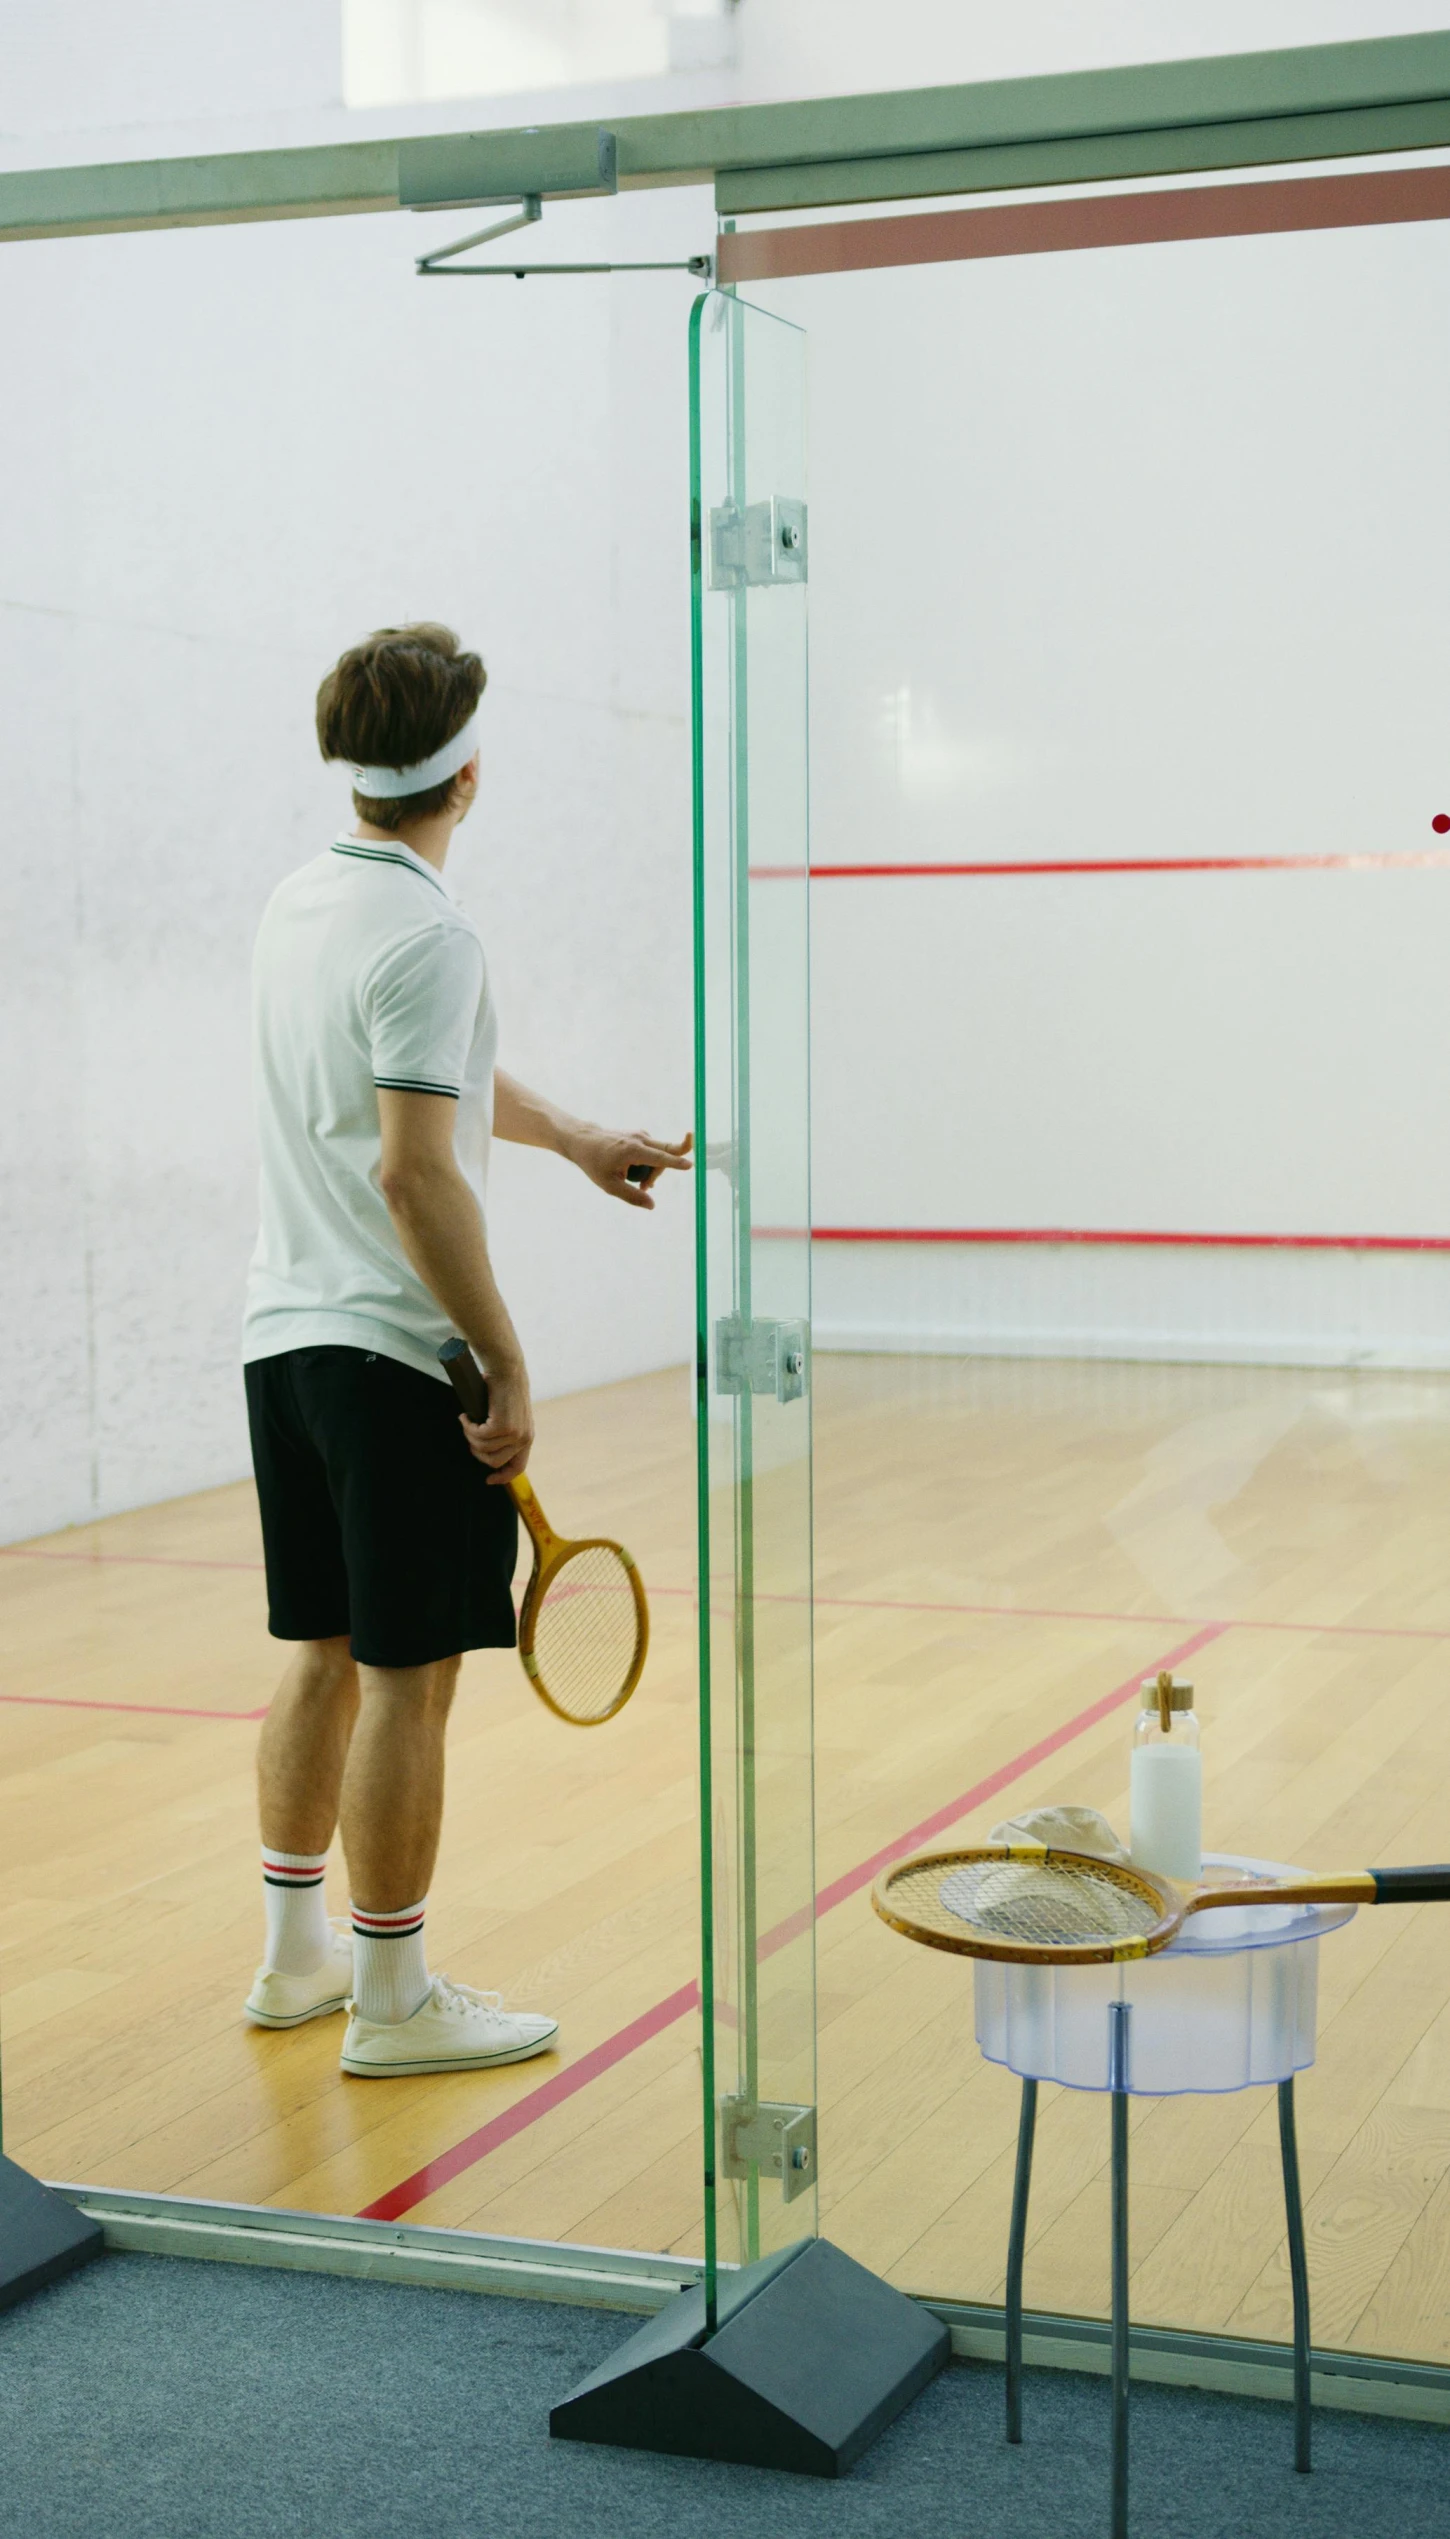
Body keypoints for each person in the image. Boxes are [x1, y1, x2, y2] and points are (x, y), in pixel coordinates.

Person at [239, 623, 690, 2076]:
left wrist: (568, 1139)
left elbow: (427, 1074)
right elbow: (413, 1169)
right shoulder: (432, 931)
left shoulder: (304, 902)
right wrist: (503, 1357)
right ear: (470, 774)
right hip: (394, 1364)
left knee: (318, 1655)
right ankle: (394, 1996)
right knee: (408, 1677)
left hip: (286, 1346)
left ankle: (297, 1959)